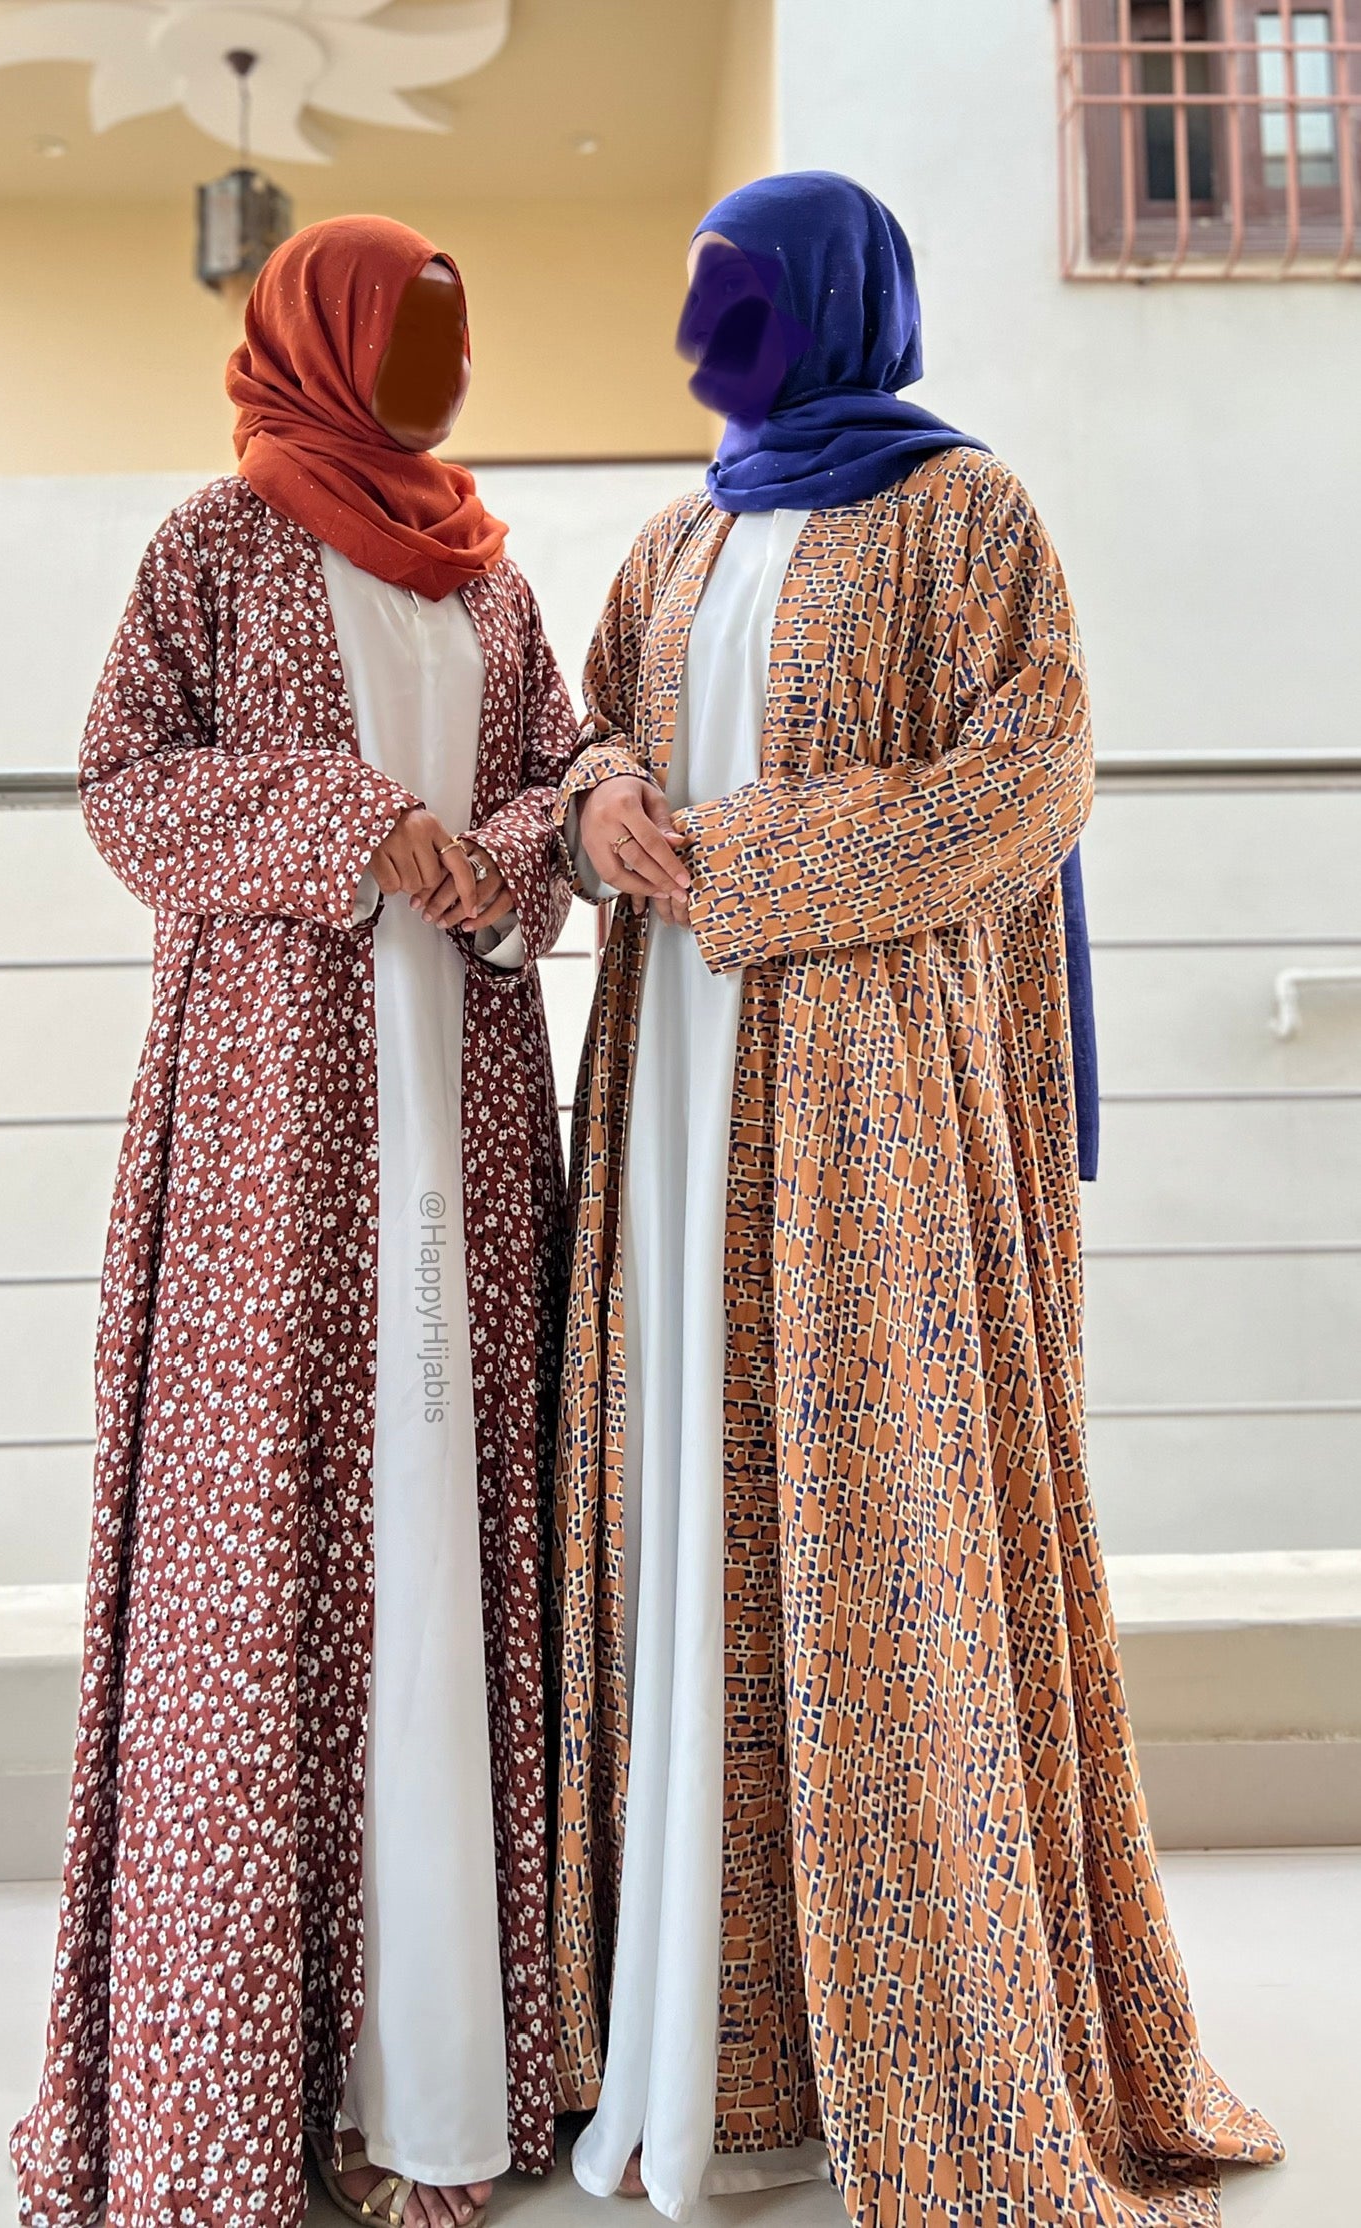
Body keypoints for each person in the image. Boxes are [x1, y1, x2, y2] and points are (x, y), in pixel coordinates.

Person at [548, 172, 1281, 2227]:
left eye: (733, 296)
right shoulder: (677, 535)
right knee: (692, 1515)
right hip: (671, 1082)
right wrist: (604, 802)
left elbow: (1027, 778)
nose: (700, 332)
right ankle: (715, 2040)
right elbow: (590, 729)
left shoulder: (967, 513)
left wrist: (753, 858)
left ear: (829, 302)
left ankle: (931, 2044)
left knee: (875, 1521)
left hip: (868, 1100)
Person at [12, 216, 576, 2228]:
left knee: (448, 1540)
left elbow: (558, 780)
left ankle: (442, 2089)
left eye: (459, 336)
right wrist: (355, 828)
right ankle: (262, 2089)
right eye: (415, 337)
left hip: (465, 1120)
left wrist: (501, 859)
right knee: (270, 1557)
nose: (448, 372)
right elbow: (125, 788)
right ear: (323, 345)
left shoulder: (489, 575)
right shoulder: (215, 547)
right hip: (277, 1141)